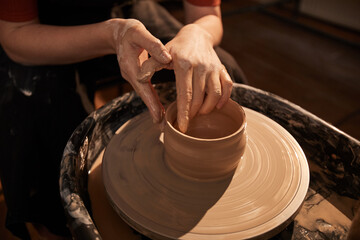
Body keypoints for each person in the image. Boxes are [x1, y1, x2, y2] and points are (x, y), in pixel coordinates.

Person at [0, 0, 246, 238]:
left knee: (220, 73)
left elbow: (207, 15)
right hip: (41, 27)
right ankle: (56, 228)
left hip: (127, 11)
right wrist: (112, 35)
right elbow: (15, 33)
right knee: (43, 112)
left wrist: (197, 33)